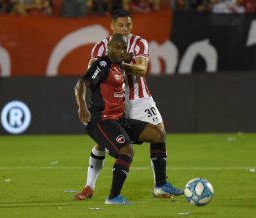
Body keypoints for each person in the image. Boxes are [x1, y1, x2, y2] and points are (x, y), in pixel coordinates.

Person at [74, 9, 183, 201]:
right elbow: (92, 75)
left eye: (128, 25)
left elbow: (141, 70)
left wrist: (120, 63)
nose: (125, 29)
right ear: (112, 26)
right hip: (113, 103)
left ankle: (160, 185)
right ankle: (89, 186)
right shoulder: (100, 47)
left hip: (139, 99)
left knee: (159, 134)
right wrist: (86, 105)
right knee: (101, 143)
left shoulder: (139, 43)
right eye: (121, 25)